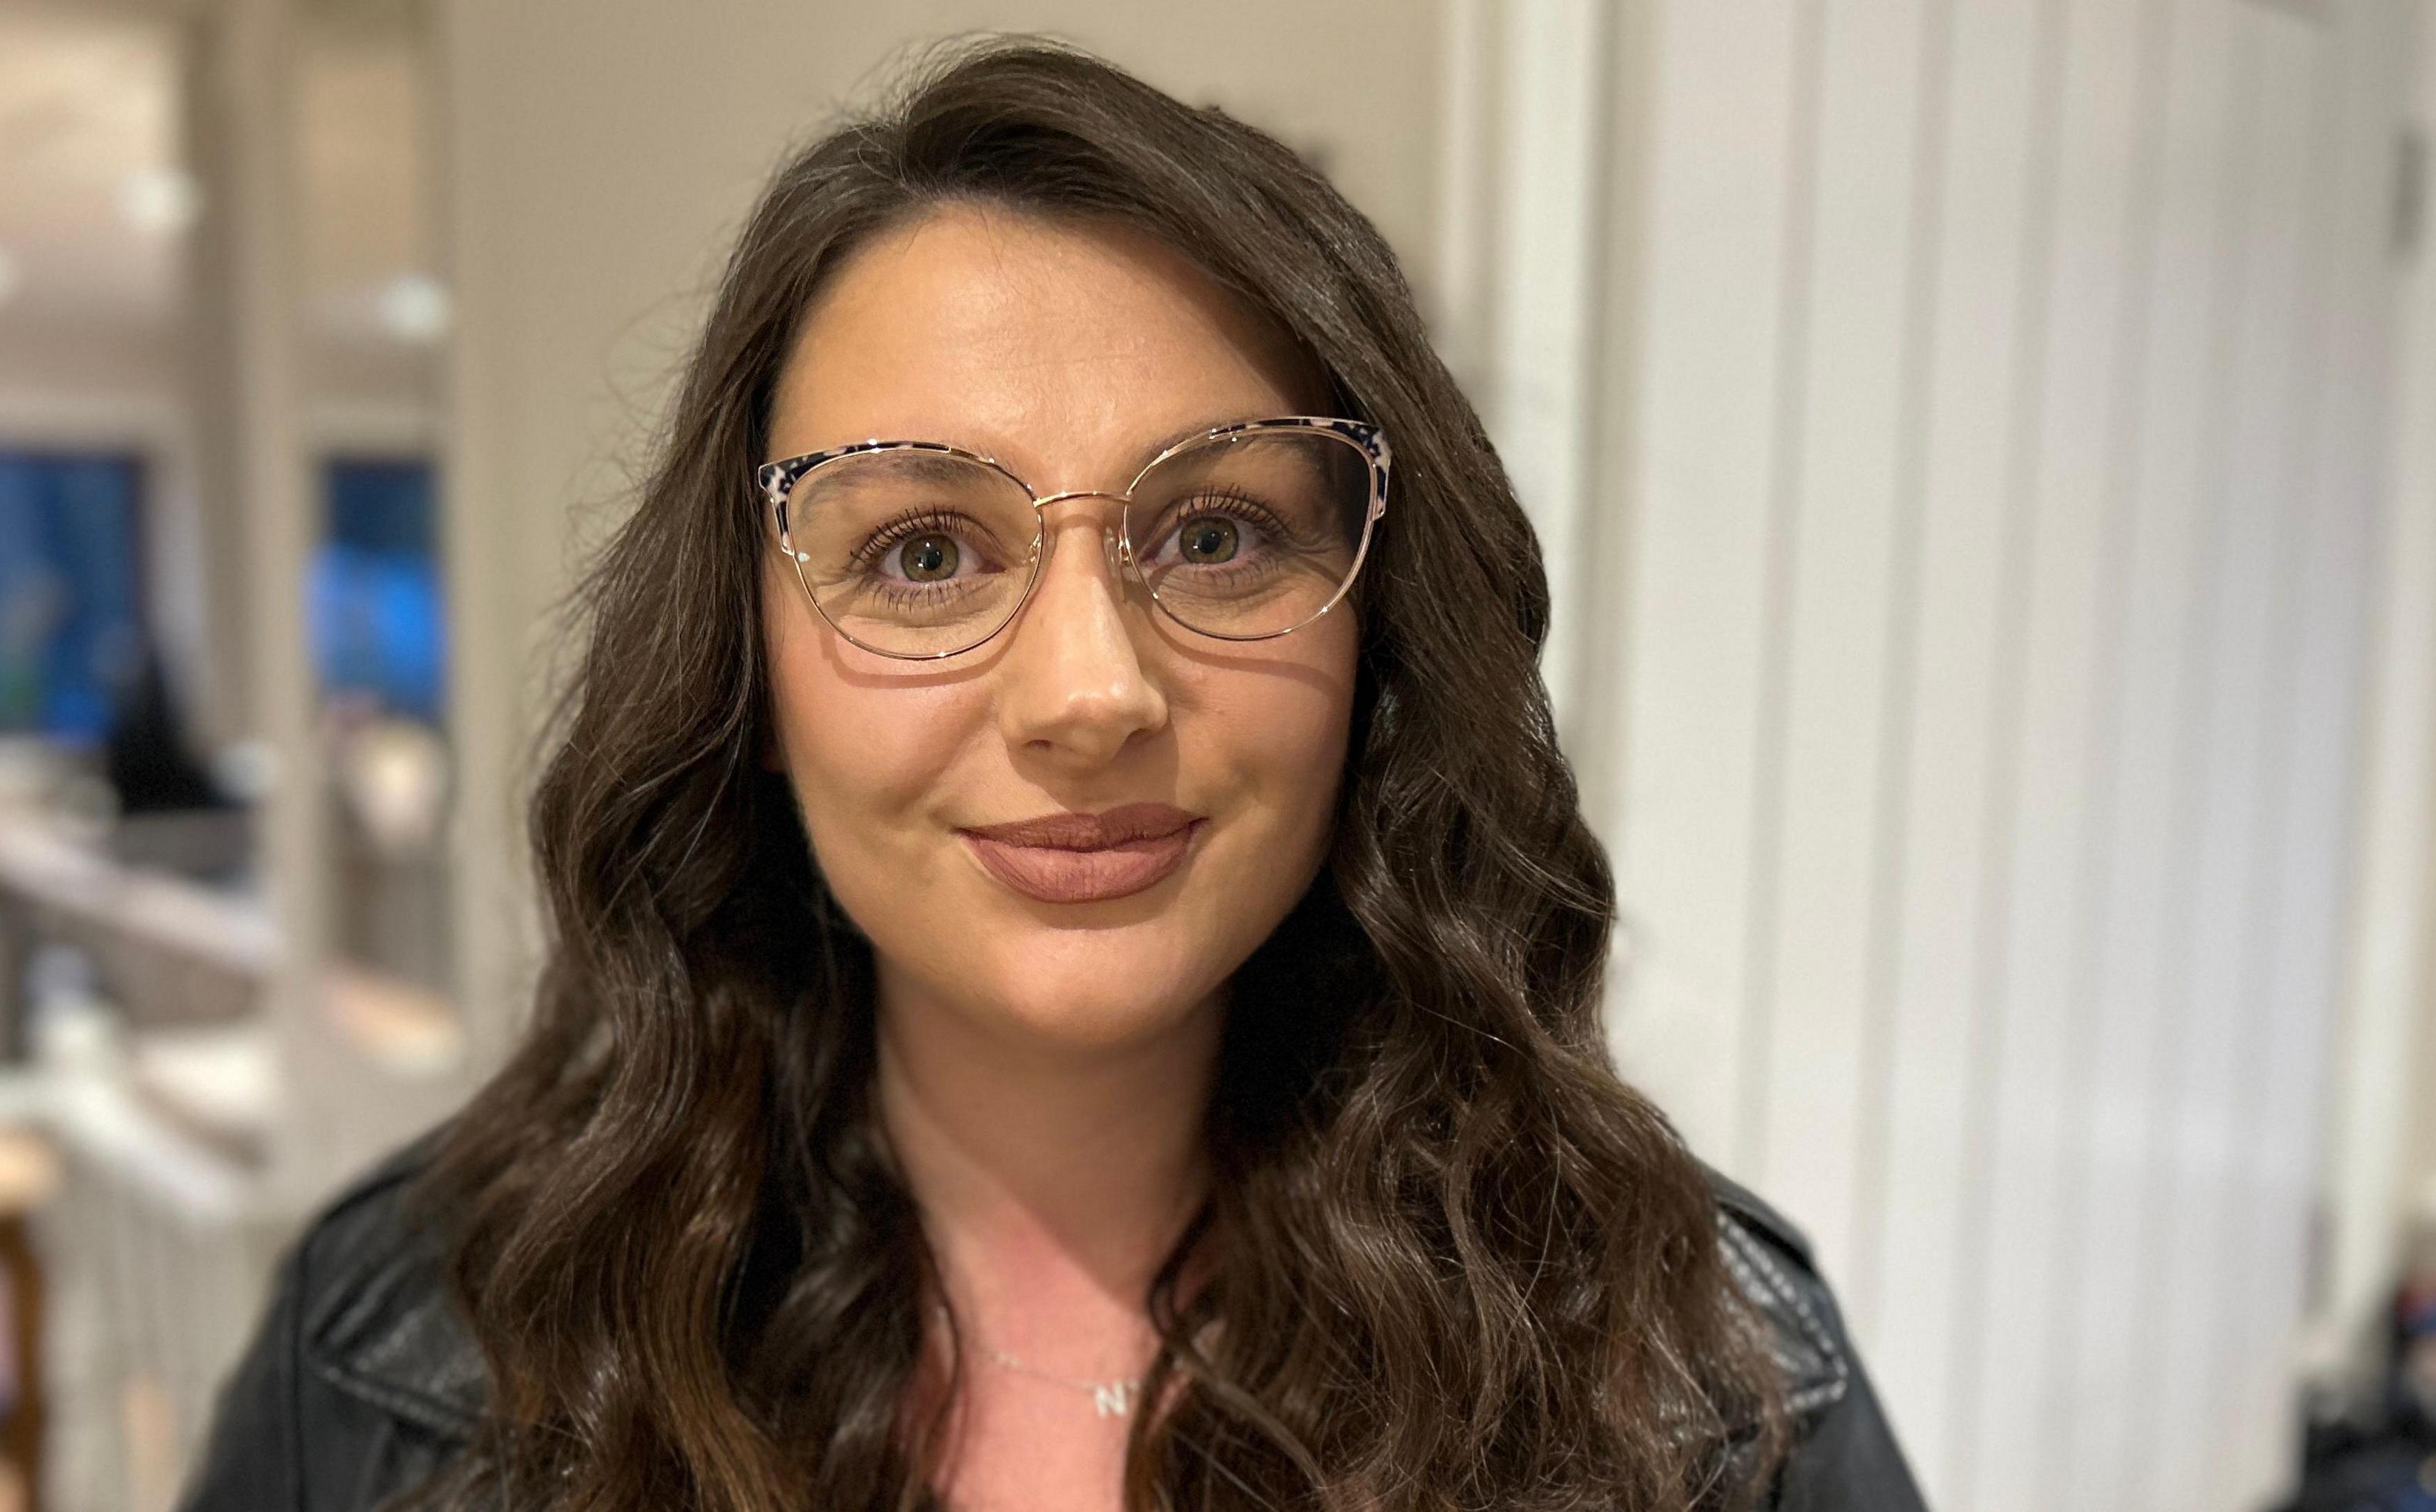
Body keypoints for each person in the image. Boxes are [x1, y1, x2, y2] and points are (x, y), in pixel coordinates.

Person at [180, 39, 1925, 1512]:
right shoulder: (407, 1355)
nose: (1092, 696)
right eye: (925, 554)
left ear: (1380, 637)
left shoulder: (1708, 1390)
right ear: (747, 668)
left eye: (1218, 533)